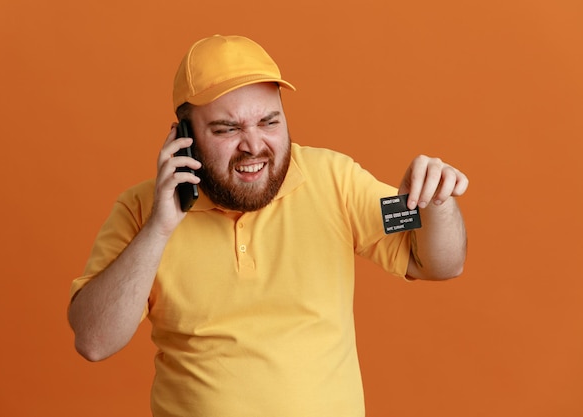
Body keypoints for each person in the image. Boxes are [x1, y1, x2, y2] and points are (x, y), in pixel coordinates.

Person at [68, 34, 469, 417]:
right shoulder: (141, 211)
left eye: (269, 122)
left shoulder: (333, 180)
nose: (254, 145)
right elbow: (94, 340)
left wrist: (437, 202)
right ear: (183, 139)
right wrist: (159, 228)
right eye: (227, 129)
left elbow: (438, 263)